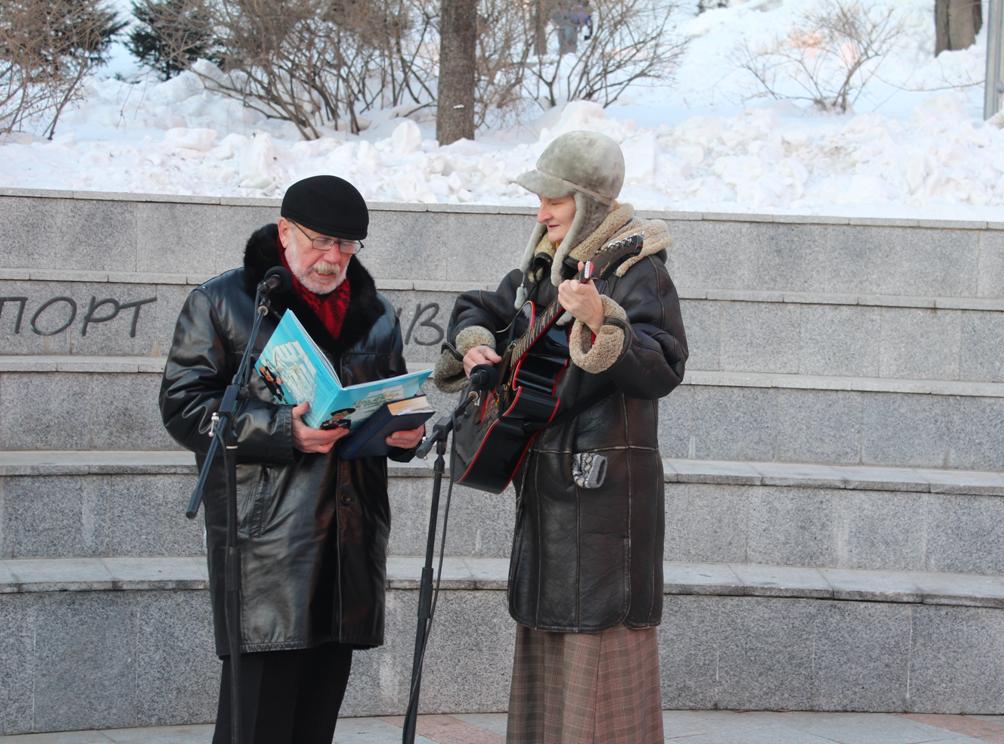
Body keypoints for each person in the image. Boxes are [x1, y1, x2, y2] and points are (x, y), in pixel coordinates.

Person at [432, 131, 688, 743]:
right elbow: (475, 307)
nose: (541, 212)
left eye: (555, 200)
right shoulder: (546, 268)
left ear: (590, 205)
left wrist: (603, 322)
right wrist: (476, 347)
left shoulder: (635, 270)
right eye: (540, 200)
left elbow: (664, 364)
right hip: (546, 496)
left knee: (599, 670)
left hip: (603, 505)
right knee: (547, 668)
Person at [158, 174, 425, 744]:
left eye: (347, 247)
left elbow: (390, 399)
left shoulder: (377, 315)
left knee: (315, 723)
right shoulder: (224, 302)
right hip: (267, 550)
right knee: (255, 726)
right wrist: (285, 430)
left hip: (347, 546)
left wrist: (402, 435)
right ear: (284, 231)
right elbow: (184, 405)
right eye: (319, 242)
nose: (332, 259)